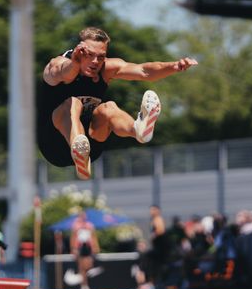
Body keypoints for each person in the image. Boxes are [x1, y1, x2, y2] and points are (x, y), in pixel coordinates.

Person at [37, 26, 198, 180]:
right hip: (53, 144)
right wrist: (75, 63)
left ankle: (138, 130)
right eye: (90, 55)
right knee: (73, 103)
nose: (95, 62)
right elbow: (63, 74)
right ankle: (78, 147)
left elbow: (144, 71)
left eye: (100, 56)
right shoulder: (57, 64)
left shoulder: (105, 68)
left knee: (109, 107)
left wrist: (174, 66)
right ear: (78, 50)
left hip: (92, 145)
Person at [70, 210, 100, 289]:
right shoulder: (76, 225)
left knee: (88, 266)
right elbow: (73, 237)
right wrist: (73, 249)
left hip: (88, 247)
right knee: (81, 267)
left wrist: (95, 247)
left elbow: (93, 237)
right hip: (80, 247)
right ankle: (84, 286)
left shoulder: (89, 225)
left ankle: (87, 285)